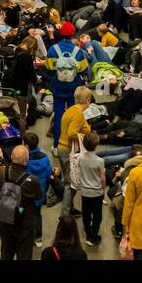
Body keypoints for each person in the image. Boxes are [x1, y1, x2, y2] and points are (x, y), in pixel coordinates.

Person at [0, 144, 43, 260]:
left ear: (11, 157)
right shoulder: (32, 180)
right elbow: (39, 197)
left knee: (6, 253)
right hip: (24, 224)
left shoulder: (1, 172)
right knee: (24, 255)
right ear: (27, 160)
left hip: (5, 219)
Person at [57, 85, 93, 217]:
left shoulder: (71, 110)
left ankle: (70, 208)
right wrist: (86, 138)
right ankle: (64, 216)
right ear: (88, 100)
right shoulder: (78, 114)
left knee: (69, 181)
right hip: (69, 151)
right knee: (70, 185)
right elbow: (72, 133)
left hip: (62, 148)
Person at [76, 131, 106, 247]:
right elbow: (102, 178)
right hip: (96, 192)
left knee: (86, 213)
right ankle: (94, 236)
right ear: (97, 144)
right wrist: (103, 191)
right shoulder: (99, 161)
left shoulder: (80, 158)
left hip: (85, 192)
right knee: (97, 215)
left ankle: (88, 233)